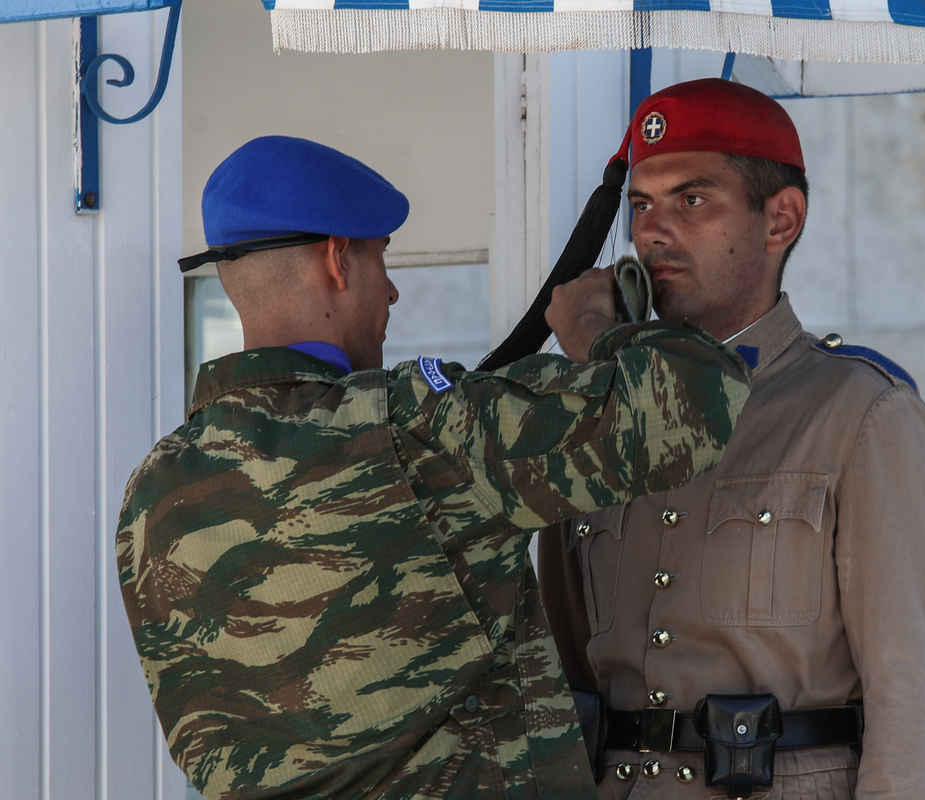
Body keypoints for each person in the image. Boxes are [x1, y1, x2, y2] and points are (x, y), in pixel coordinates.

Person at [115, 135, 753, 800]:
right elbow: (698, 400)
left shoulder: (154, 493)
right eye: (380, 262)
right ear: (338, 260)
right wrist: (594, 329)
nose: (391, 292)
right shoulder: (413, 431)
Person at [539, 79, 925, 799]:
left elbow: (916, 704)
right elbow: (561, 668)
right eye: (640, 205)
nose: (652, 231)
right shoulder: (593, 412)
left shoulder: (861, 414)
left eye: (693, 200)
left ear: (781, 221)